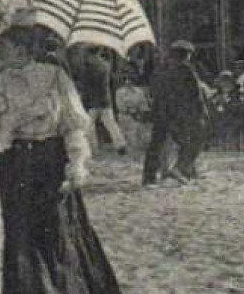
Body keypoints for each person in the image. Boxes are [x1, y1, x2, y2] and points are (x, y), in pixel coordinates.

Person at [0, 7, 124, 294]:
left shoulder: (54, 76)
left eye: (2, 48)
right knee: (19, 232)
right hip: (15, 162)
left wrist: (77, 163)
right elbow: (0, 137)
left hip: (50, 158)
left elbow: (73, 124)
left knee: (56, 229)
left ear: (20, 48)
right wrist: (25, 116)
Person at [142, 41, 210, 186]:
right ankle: (181, 170)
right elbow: (195, 94)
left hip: (162, 112)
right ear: (187, 55)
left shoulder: (161, 70)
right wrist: (201, 111)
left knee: (156, 145)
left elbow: (155, 92)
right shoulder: (187, 70)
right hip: (178, 114)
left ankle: (149, 178)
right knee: (193, 141)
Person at [77, 45, 128, 157]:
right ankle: (120, 145)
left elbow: (86, 84)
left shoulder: (89, 67)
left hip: (94, 99)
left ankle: (92, 147)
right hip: (105, 97)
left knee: (89, 124)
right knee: (110, 122)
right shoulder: (106, 65)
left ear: (90, 53)